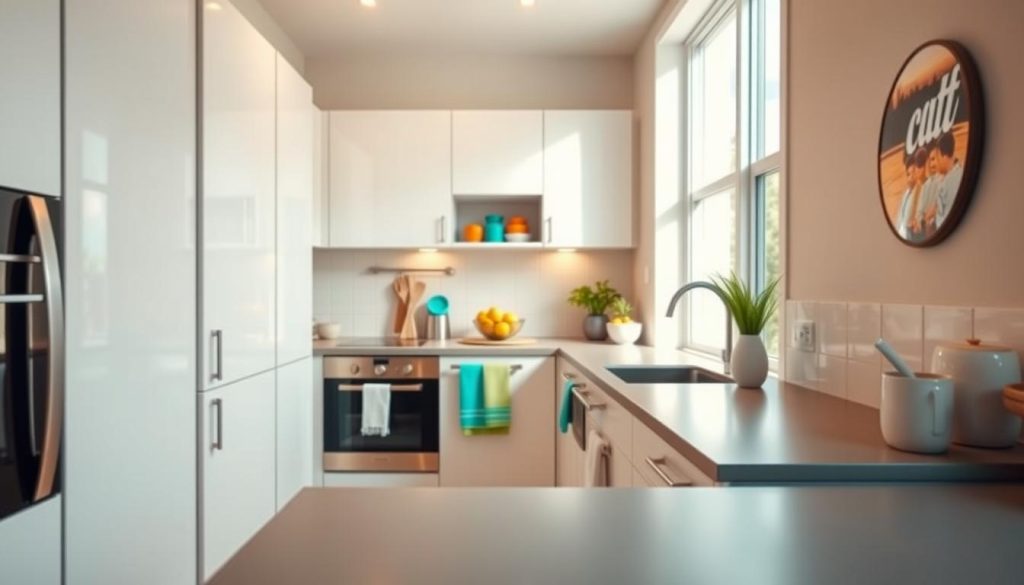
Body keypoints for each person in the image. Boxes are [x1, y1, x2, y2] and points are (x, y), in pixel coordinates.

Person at [894, 147, 929, 241]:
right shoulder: (906, 194)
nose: (911, 177)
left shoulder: (921, 189)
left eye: (913, 172)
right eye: (908, 174)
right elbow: (899, 217)